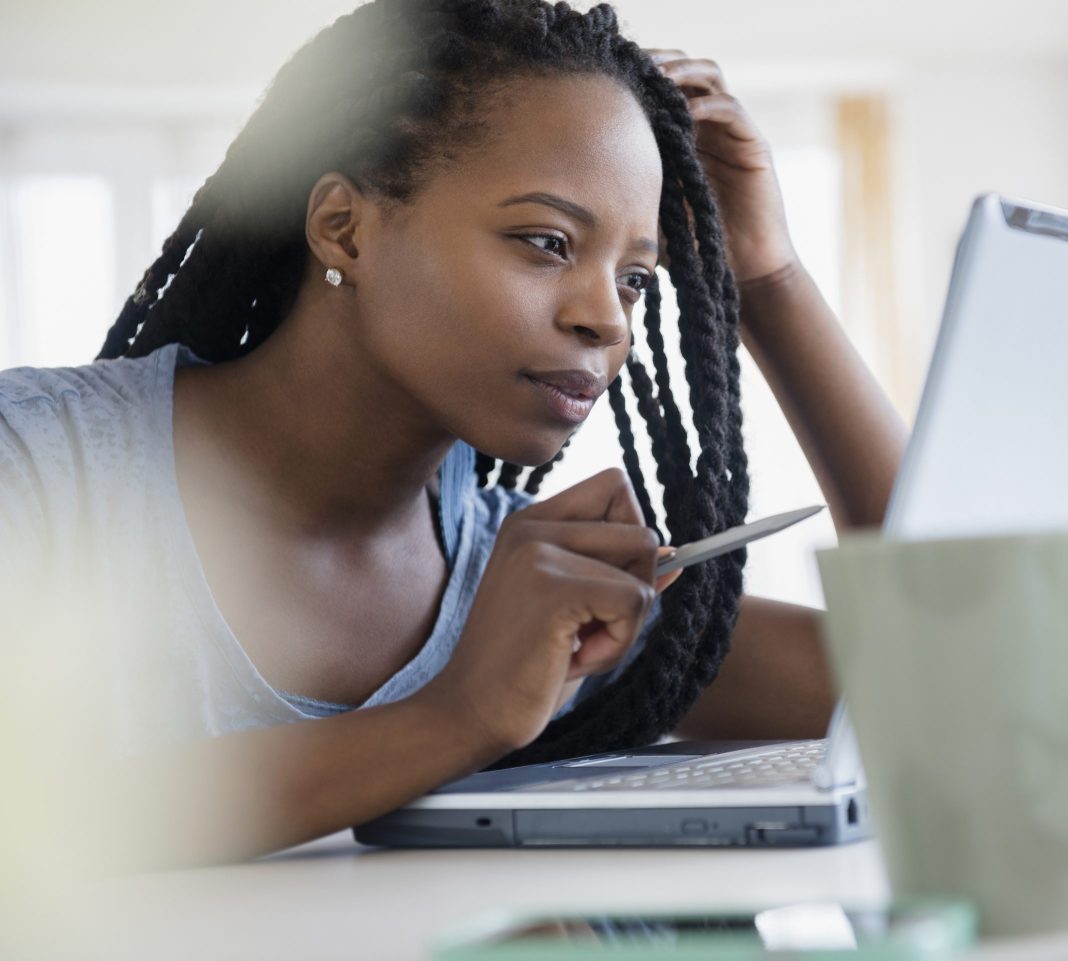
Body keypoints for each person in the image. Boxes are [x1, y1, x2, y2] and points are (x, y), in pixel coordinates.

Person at [0, 0, 905, 868]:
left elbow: (951, 679)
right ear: (344, 229)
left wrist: (769, 276)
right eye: (548, 242)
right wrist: (455, 716)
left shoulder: (520, 590)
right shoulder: (40, 468)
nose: (609, 320)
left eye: (635, 278)